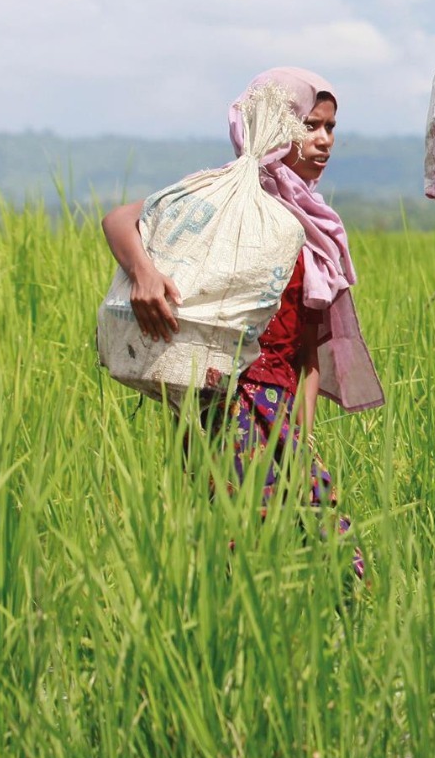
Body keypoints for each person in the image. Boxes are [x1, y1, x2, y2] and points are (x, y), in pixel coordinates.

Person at [101, 67, 383, 561]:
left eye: (330, 128)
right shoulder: (227, 198)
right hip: (221, 403)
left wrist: (301, 435)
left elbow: (308, 355)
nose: (323, 140)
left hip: (281, 412)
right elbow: (121, 219)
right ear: (274, 124)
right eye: (309, 125)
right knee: (245, 548)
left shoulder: (317, 230)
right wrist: (145, 274)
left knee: (321, 550)